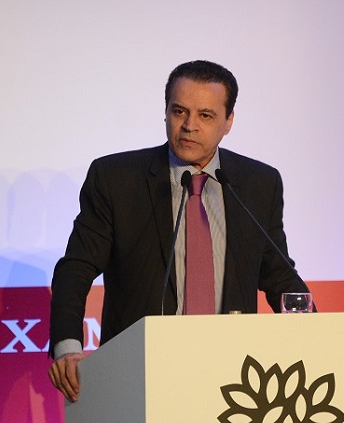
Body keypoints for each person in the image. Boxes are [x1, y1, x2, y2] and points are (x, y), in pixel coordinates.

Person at [47, 60, 313, 402]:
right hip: (139, 374)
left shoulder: (258, 184)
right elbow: (76, 268)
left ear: (228, 121)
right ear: (166, 113)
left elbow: (279, 275)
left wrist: (317, 338)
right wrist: (67, 347)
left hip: (233, 377)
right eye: (179, 111)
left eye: (206, 115)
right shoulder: (116, 179)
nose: (189, 126)